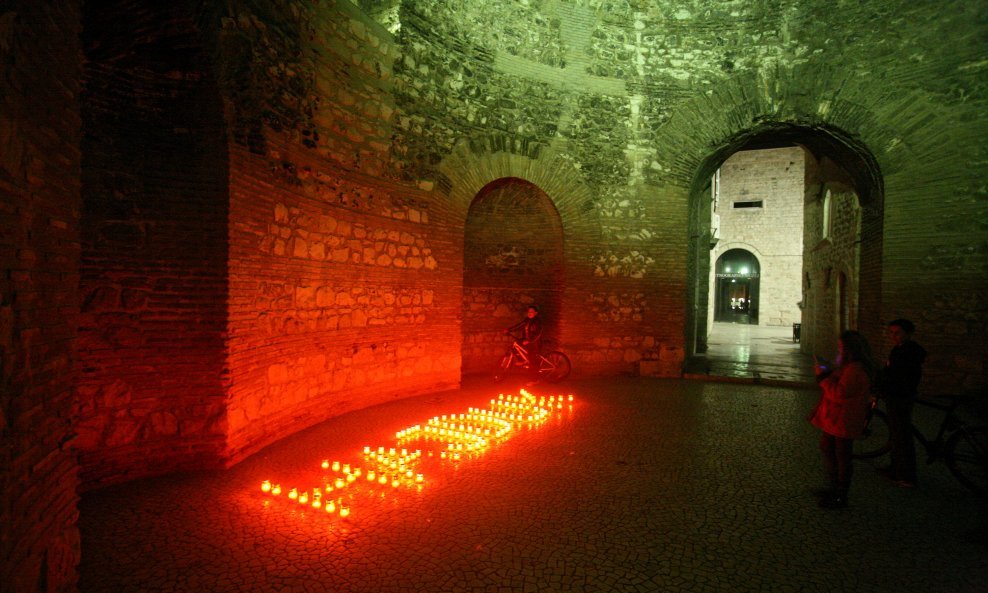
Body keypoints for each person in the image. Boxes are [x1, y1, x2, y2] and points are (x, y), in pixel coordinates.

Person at [809, 330, 876, 509]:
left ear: (850, 349)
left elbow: (840, 393)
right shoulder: (848, 366)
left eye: (841, 348)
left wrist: (822, 376)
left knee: (842, 455)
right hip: (835, 419)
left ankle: (840, 495)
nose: (838, 351)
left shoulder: (856, 369)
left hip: (844, 419)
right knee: (828, 448)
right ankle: (833, 487)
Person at [875, 319, 927, 488]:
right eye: (891, 333)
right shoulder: (899, 349)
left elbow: (899, 377)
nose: (893, 336)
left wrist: (885, 385)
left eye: (897, 333)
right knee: (897, 434)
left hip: (900, 397)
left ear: (908, 333)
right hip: (896, 395)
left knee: (902, 436)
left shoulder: (908, 353)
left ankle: (907, 476)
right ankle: (896, 468)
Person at [505, 305, 543, 384]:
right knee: (516, 345)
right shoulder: (527, 320)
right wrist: (509, 330)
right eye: (528, 312)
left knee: (533, 362)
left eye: (531, 312)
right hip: (526, 340)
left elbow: (538, 334)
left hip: (534, 343)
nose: (529, 313)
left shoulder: (537, 321)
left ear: (536, 313)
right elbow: (519, 325)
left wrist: (529, 340)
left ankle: (534, 380)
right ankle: (523, 361)